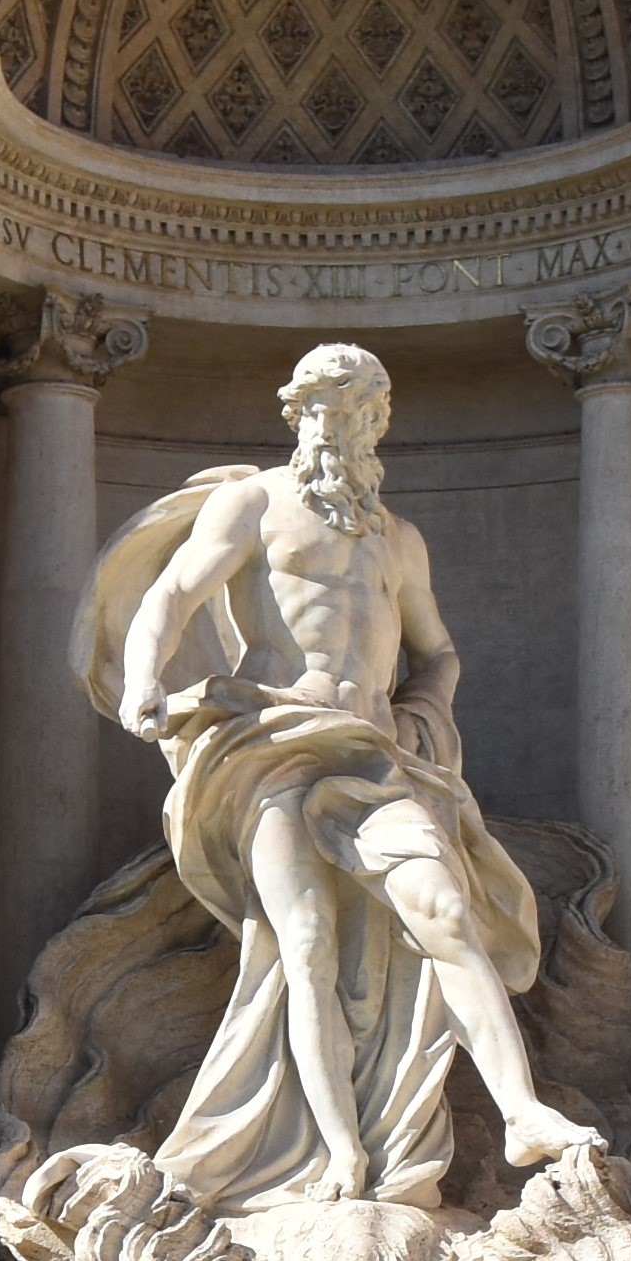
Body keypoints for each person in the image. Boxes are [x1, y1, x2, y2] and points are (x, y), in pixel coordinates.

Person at [81, 341, 598, 1207]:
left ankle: (522, 1113)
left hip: (376, 757)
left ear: (377, 424)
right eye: (322, 407)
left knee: (444, 910)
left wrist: (423, 713)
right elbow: (170, 597)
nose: (338, 425)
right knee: (305, 947)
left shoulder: (398, 541)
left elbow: (438, 652)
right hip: (274, 746)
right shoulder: (255, 504)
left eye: (355, 409)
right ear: (297, 416)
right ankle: (341, 1158)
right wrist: (143, 682)